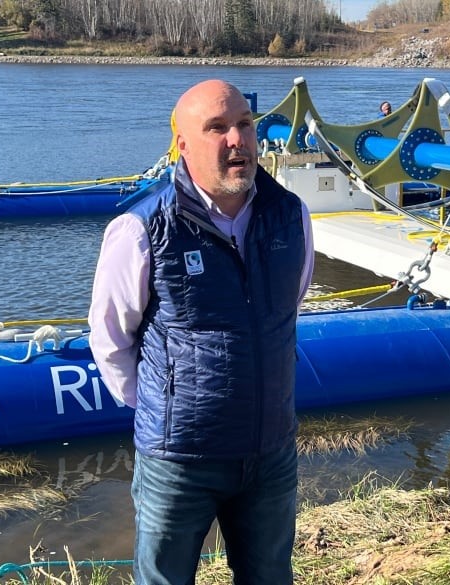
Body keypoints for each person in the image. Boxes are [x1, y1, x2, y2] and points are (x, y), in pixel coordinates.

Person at [88, 79, 314, 585]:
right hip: (180, 460)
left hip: (271, 453)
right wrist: (168, 407)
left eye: (245, 124)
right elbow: (110, 339)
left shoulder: (291, 217)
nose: (237, 140)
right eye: (217, 128)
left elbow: (287, 310)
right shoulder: (140, 229)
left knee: (270, 576)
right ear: (183, 145)